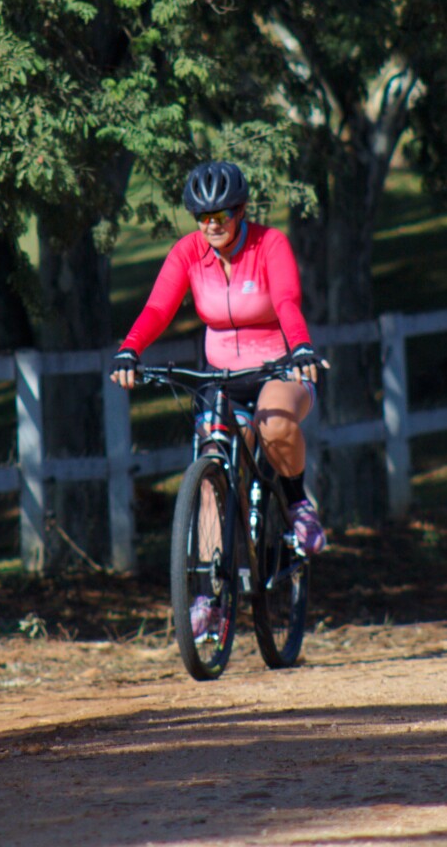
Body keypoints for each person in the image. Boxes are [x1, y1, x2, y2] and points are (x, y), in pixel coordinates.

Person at [109, 161, 327, 572]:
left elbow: (286, 301)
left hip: (277, 369)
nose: (211, 225)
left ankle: (298, 503)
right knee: (211, 468)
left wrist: (301, 347)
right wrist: (129, 349)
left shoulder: (269, 244)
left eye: (221, 215)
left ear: (240, 210)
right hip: (220, 376)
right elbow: (158, 308)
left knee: (273, 425)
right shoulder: (188, 252)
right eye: (202, 217)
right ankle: (211, 592)